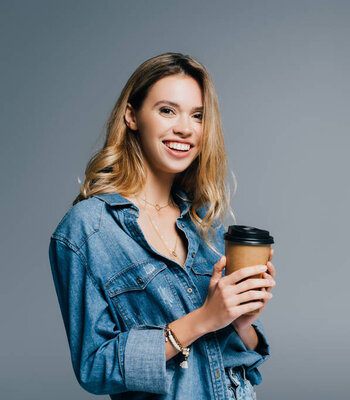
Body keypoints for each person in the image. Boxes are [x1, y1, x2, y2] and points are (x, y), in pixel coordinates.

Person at [48, 52, 276, 400]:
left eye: (197, 116)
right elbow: (94, 367)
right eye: (167, 110)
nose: (185, 127)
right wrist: (203, 319)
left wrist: (240, 322)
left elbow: (242, 362)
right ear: (132, 116)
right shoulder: (87, 231)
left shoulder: (205, 225)